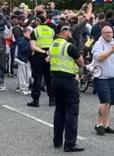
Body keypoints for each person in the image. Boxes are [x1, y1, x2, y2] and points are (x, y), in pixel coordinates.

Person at [50, 23, 85, 152]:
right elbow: (81, 62)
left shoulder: (53, 45)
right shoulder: (70, 46)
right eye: (68, 30)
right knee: (71, 112)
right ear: (64, 32)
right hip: (68, 81)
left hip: (55, 80)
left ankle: (57, 140)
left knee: (59, 110)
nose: (70, 32)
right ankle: (70, 143)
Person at [92, 25, 114, 136]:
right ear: (102, 34)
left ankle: (106, 125)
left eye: (110, 32)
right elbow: (100, 57)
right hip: (101, 78)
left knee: (110, 103)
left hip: (112, 77)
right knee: (104, 102)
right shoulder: (98, 44)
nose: (109, 34)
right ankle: (99, 124)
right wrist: (112, 50)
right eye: (106, 32)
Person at [28, 15, 56, 107]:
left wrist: (44, 51)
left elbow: (33, 47)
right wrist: (48, 52)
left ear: (38, 21)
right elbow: (54, 44)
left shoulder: (35, 31)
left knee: (37, 78)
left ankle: (36, 101)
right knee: (49, 78)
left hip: (38, 56)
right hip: (49, 56)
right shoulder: (51, 30)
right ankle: (52, 99)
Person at [16, 27, 32, 95]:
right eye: (28, 33)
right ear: (24, 33)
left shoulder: (28, 40)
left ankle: (26, 88)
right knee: (22, 74)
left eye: (30, 33)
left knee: (27, 75)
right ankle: (22, 88)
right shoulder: (21, 40)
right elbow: (24, 50)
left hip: (27, 59)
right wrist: (31, 46)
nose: (29, 34)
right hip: (22, 59)